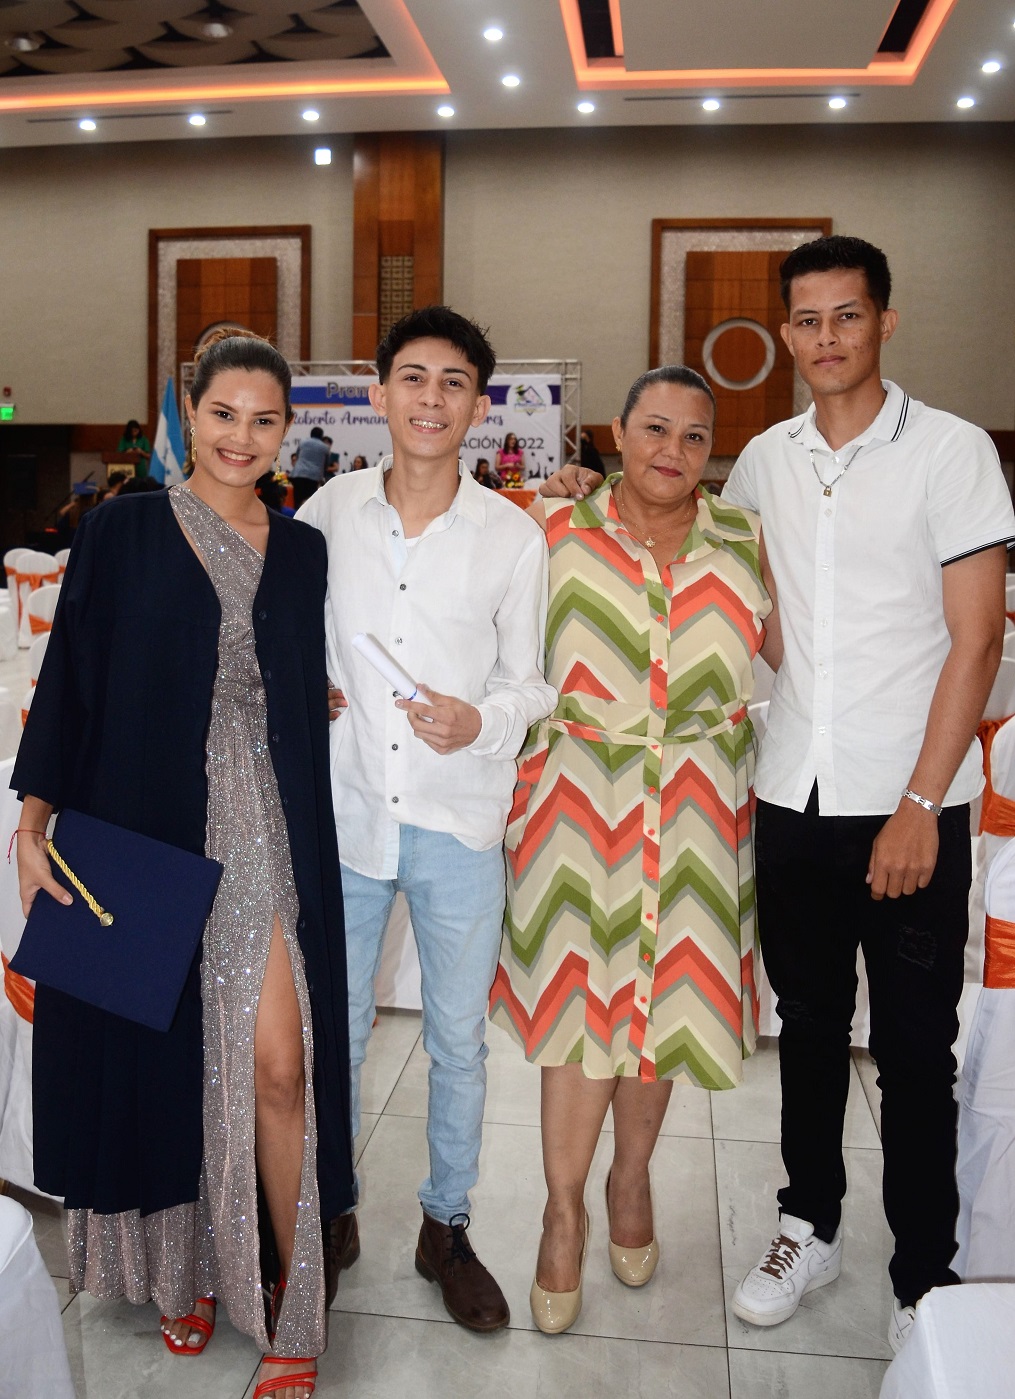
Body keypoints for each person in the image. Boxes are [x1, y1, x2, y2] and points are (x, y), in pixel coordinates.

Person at [541, 235, 1015, 1352]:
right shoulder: (759, 464)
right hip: (787, 797)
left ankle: (923, 1271)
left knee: (908, 1051)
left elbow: (976, 638)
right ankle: (809, 1221)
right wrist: (574, 486)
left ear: (884, 322)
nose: (826, 338)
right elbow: (688, 562)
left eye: (846, 316)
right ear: (786, 334)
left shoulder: (949, 454)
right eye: (806, 320)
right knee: (803, 1029)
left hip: (908, 802)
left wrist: (917, 801)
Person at [14, 328, 354, 1399]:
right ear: (185, 411)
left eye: (264, 420)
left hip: (269, 822)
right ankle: (187, 1270)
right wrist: (32, 825)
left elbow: (288, 677)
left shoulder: (302, 548)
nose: (242, 437)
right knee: (159, 1057)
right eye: (223, 414)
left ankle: (295, 1305)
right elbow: (70, 676)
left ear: (284, 429)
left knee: (278, 1066)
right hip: (139, 820)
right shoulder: (120, 531)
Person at [490, 365, 774, 1333]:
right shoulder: (550, 531)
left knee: (662, 1013)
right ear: (615, 432)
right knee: (579, 1012)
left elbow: (806, 659)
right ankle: (561, 1210)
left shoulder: (743, 540)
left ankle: (630, 1177)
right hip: (576, 798)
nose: (672, 451)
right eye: (654, 429)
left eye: (695, 437)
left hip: (696, 804)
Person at [297, 305, 556, 1333]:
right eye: (413, 378)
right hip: (349, 807)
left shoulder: (510, 535)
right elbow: (292, 636)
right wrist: (305, 683)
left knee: (458, 1039)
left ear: (479, 406)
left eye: (453, 382)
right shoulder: (326, 513)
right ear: (379, 393)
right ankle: (334, 1209)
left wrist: (478, 718)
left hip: (456, 820)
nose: (431, 398)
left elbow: (531, 687)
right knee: (340, 1032)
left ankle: (445, 1224)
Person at [289, 425, 330, 508]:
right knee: (309, 502)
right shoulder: (325, 448)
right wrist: (324, 477)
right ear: (321, 436)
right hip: (313, 477)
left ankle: (295, 518)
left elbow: (297, 456)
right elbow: (326, 464)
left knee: (297, 500)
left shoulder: (303, 442)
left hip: (299, 474)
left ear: (311, 434)